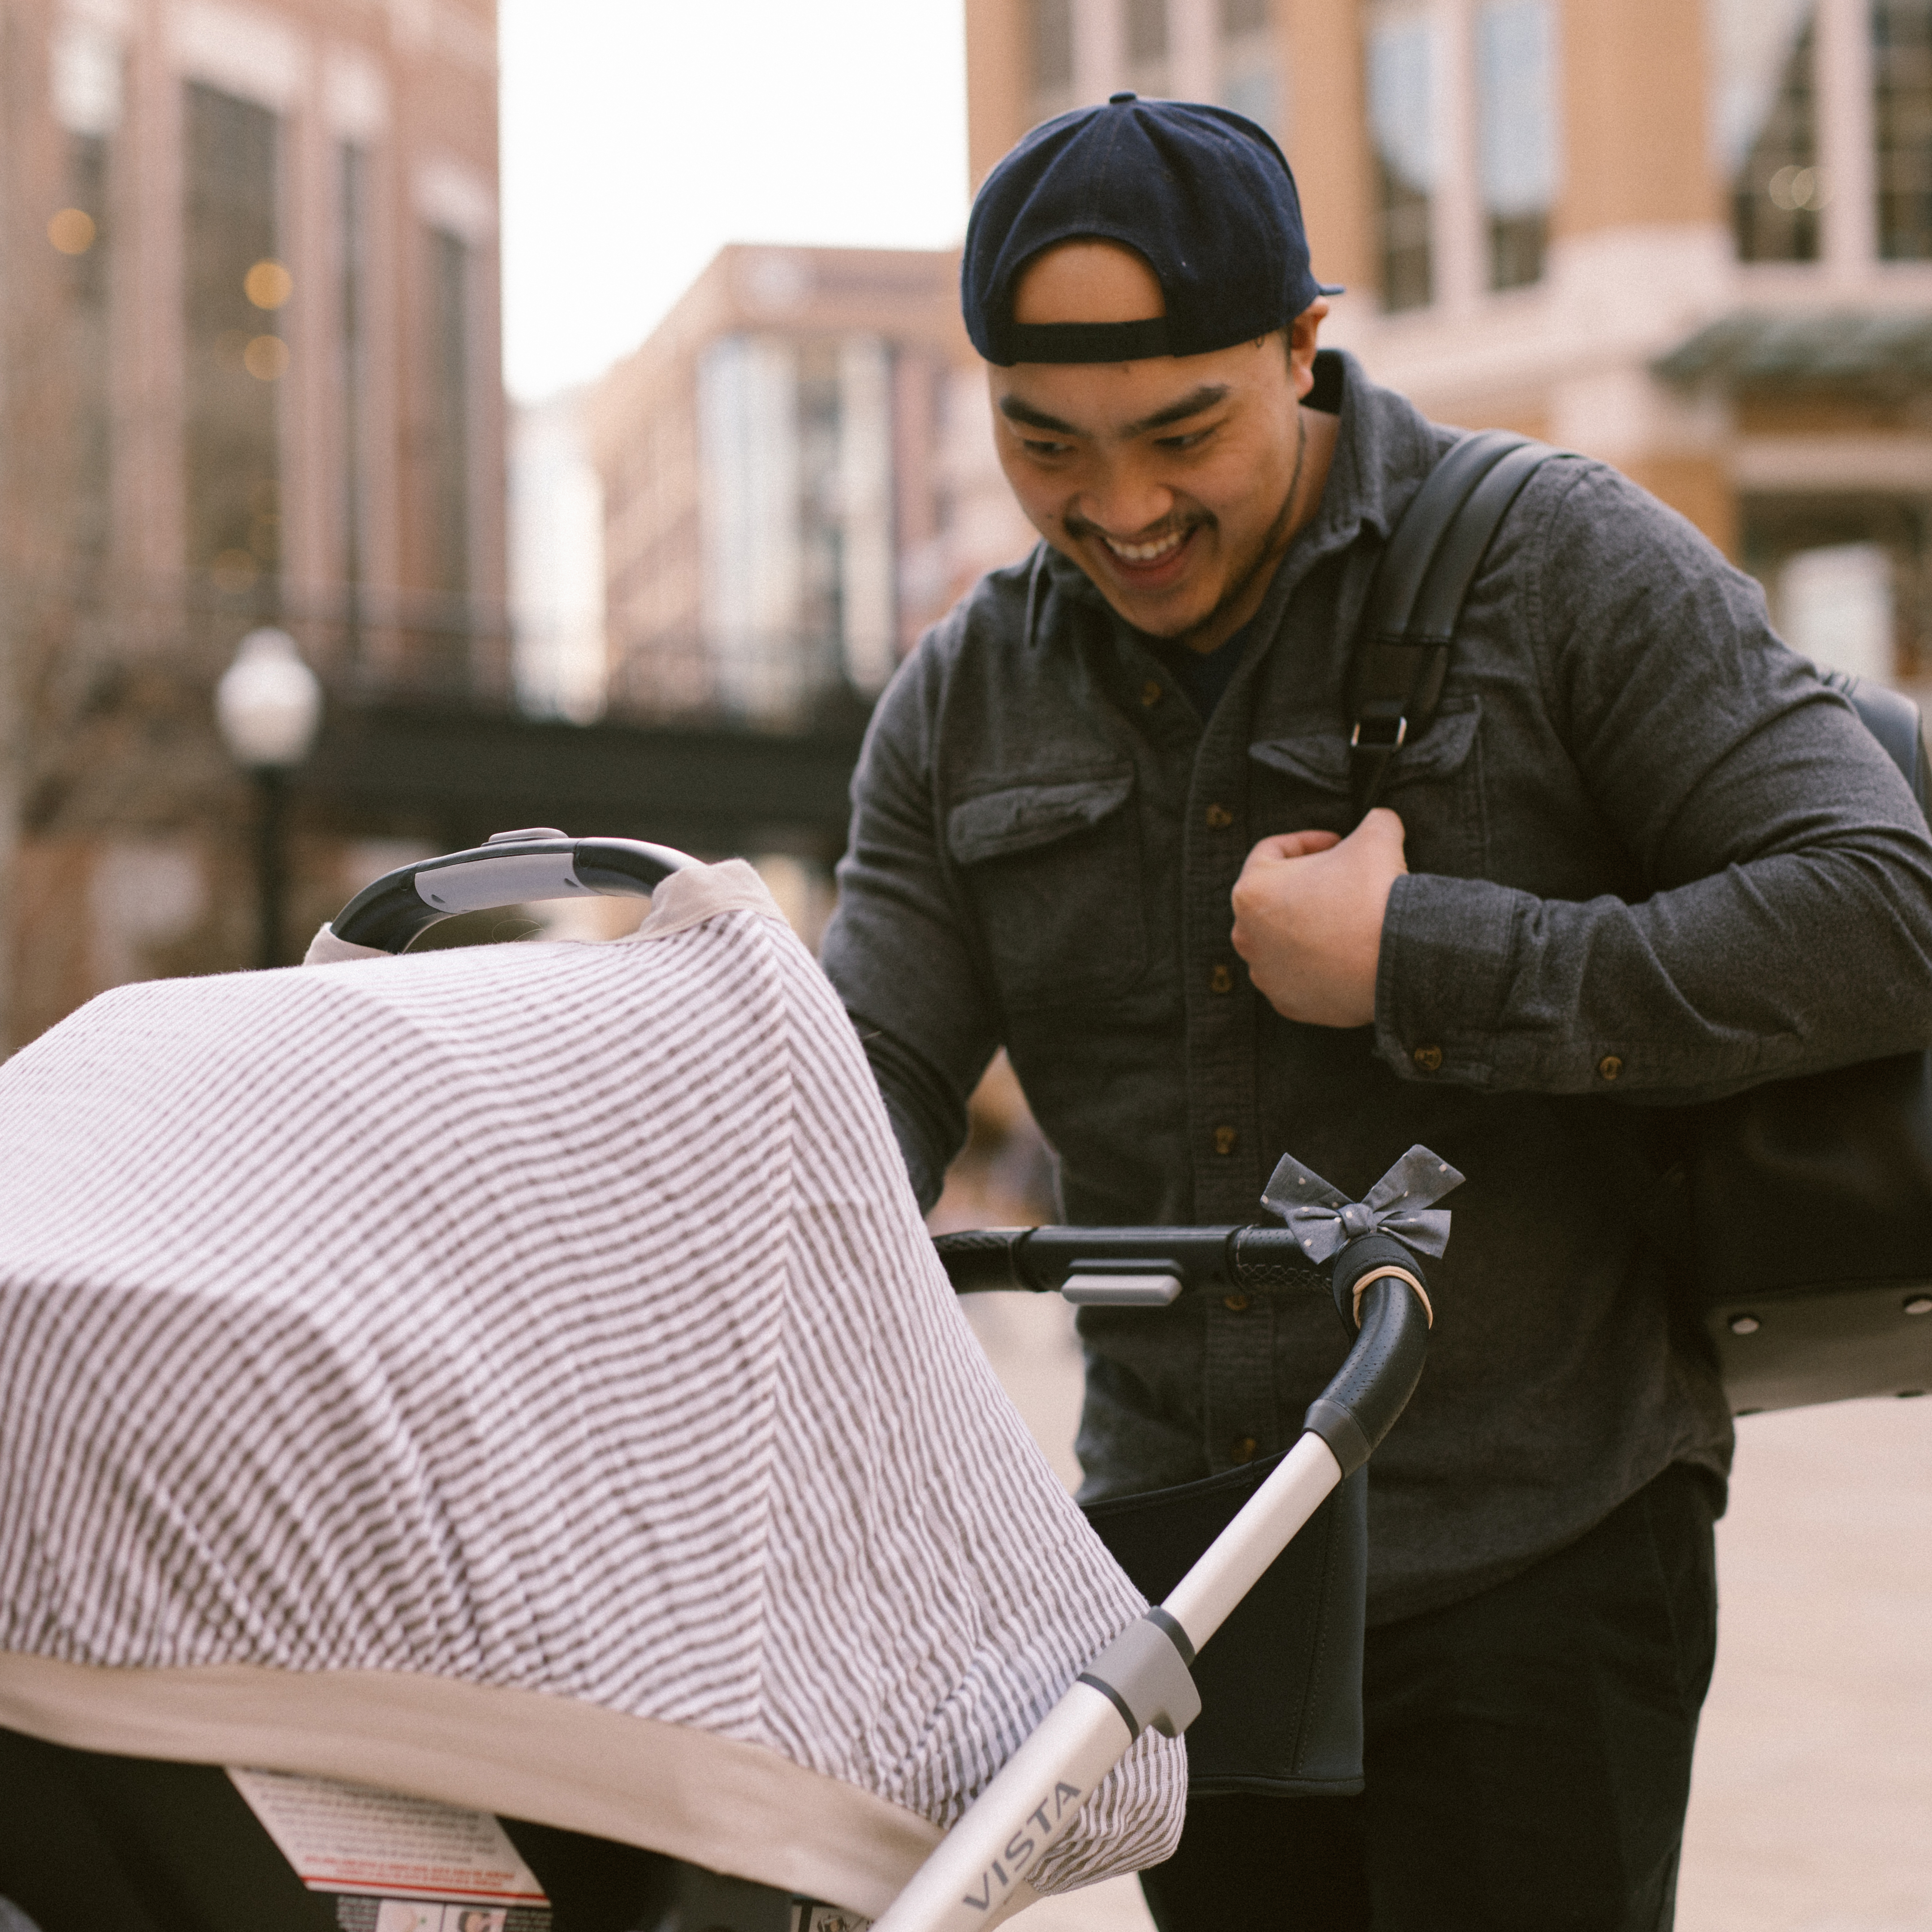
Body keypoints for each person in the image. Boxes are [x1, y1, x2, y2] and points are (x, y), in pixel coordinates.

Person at [820, 95, 1932, 1931]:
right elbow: (857, 1108)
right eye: (1046, 446)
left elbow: (1889, 907)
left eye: (1186, 432)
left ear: (1303, 349)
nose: (1123, 508)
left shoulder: (1559, 563)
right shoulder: (956, 709)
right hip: (1193, 1590)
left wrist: (1419, 957)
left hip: (1542, 1551)